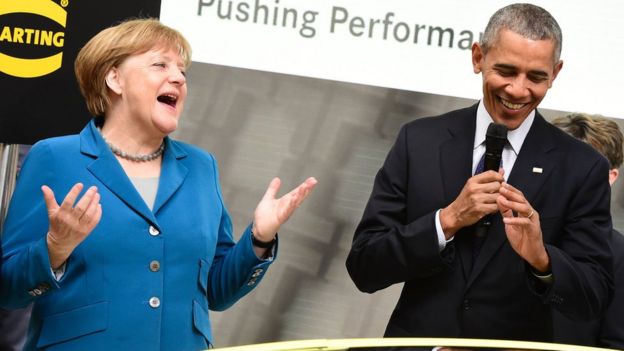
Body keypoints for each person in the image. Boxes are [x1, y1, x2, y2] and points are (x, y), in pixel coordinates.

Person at [0, 19, 317, 350]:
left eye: (182, 70)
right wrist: (55, 248)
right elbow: (8, 290)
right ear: (114, 78)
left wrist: (259, 238)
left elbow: (217, 292)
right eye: (160, 65)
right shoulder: (55, 157)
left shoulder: (200, 166)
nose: (178, 78)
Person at [346, 3, 613, 343]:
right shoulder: (419, 141)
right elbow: (364, 267)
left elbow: (593, 299)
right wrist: (447, 221)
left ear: (555, 73)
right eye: (506, 71)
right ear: (478, 57)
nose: (518, 90)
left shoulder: (583, 167)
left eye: (536, 77)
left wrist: (541, 258)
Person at [551, 113, 624, 349]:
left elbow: (615, 343)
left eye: (584, 169)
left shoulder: (619, 255)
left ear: (610, 177)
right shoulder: (503, 230)